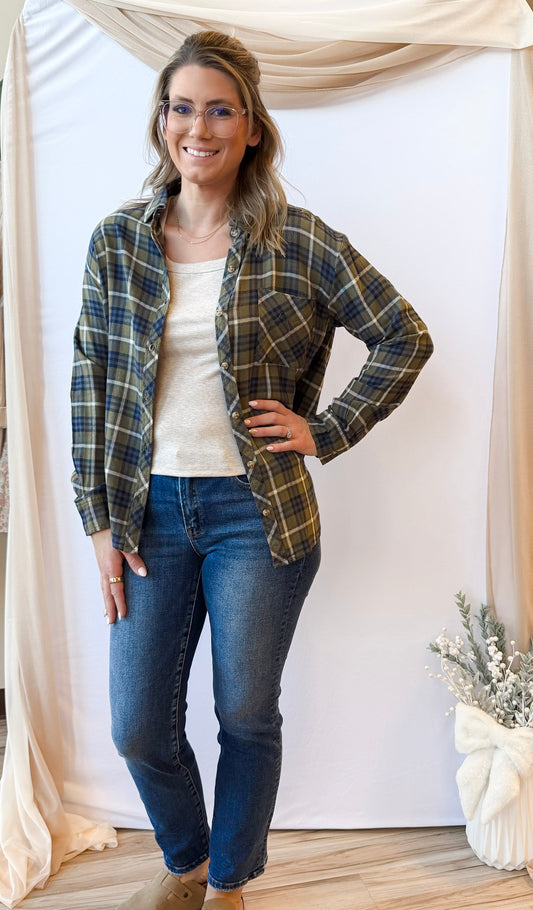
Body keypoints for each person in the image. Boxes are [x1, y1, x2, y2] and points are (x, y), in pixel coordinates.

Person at [71, 30, 433, 910]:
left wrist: (328, 427)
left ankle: (228, 881)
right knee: (137, 727)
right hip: (147, 510)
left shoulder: (297, 240)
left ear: (252, 129)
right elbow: (89, 380)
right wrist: (99, 523)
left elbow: (402, 335)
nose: (199, 126)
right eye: (183, 106)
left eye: (220, 109)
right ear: (163, 121)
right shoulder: (118, 240)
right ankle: (187, 858)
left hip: (256, 513)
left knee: (244, 714)